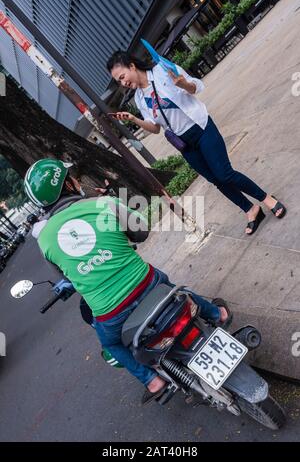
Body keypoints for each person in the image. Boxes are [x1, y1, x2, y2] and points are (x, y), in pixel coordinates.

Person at [24, 158, 230, 404]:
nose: (77, 180)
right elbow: (141, 232)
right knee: (172, 289)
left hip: (112, 314)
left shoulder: (44, 240)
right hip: (147, 284)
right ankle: (218, 314)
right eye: (72, 177)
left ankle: (152, 381)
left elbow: (66, 277)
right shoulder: (103, 204)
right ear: (67, 185)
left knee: (111, 344)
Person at [106, 51, 286, 235]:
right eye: (119, 81)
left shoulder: (161, 70)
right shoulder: (139, 99)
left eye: (122, 76)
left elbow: (197, 86)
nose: (123, 83)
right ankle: (250, 209)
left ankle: (267, 199)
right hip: (185, 144)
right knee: (215, 180)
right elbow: (155, 128)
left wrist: (183, 84)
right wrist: (134, 119)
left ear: (132, 66)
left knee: (225, 174)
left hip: (201, 128)